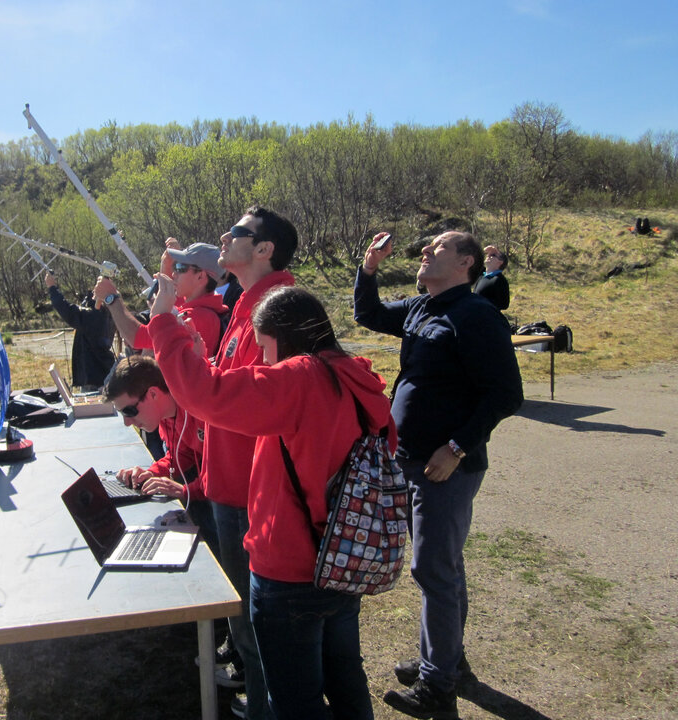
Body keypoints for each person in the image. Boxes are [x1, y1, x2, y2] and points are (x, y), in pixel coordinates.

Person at [149, 280, 392, 720]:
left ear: (289, 337)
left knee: (294, 698)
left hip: (290, 569)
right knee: (345, 678)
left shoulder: (300, 379)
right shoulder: (355, 376)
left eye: (264, 346)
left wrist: (163, 322)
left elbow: (207, 395)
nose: (262, 359)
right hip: (342, 557)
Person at [354, 231, 523, 720]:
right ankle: (448, 661)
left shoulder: (477, 315)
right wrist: (369, 270)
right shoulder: (420, 307)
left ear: (467, 262)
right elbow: (368, 314)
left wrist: (456, 446)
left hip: (445, 467)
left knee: (432, 571)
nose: (425, 252)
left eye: (439, 248)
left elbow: (506, 393)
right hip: (409, 459)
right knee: (445, 568)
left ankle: (437, 690)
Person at [148, 206, 297, 720]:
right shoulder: (247, 305)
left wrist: (165, 322)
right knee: (246, 625)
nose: (222, 237)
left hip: (252, 493)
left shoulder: (275, 309)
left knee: (257, 631)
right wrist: (200, 357)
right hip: (230, 485)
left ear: (263, 250)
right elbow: (229, 384)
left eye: (237, 232)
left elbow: (232, 403)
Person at [102, 355, 217, 557]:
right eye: (122, 414)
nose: (128, 423)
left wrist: (185, 490)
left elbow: (224, 472)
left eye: (129, 411)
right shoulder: (166, 415)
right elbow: (180, 456)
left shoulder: (199, 410)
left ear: (153, 394)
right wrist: (152, 472)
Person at [93, 241, 228, 357]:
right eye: (175, 266)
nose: (174, 273)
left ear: (200, 277)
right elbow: (171, 302)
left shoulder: (199, 317)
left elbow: (135, 338)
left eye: (181, 267)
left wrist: (111, 297)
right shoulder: (194, 308)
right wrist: (166, 265)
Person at [45, 272, 115, 390]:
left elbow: (67, 310)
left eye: (98, 287)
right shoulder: (107, 314)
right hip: (101, 374)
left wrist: (52, 287)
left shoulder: (94, 317)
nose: (94, 289)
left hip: (94, 380)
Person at [473, 245, 510, 311]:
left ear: (500, 262)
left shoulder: (499, 280)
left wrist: (481, 303)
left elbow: (504, 304)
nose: (488, 256)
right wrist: (484, 251)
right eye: (488, 254)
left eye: (493, 255)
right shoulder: (482, 275)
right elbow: (472, 259)